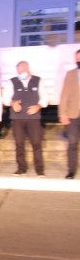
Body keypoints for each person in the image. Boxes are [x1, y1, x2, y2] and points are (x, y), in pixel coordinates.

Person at [3, 60, 47, 177]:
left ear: (27, 69)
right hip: (17, 119)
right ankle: (21, 168)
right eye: (18, 71)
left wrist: (38, 106)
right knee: (19, 143)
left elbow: (45, 98)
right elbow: (5, 99)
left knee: (36, 143)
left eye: (22, 71)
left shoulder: (38, 81)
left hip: (34, 118)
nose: (20, 73)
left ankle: (40, 169)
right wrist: (13, 103)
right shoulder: (11, 82)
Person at [58, 48, 80, 179]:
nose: (79, 60)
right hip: (73, 114)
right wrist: (63, 114)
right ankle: (71, 170)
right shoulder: (70, 74)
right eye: (77, 59)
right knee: (72, 143)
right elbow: (64, 94)